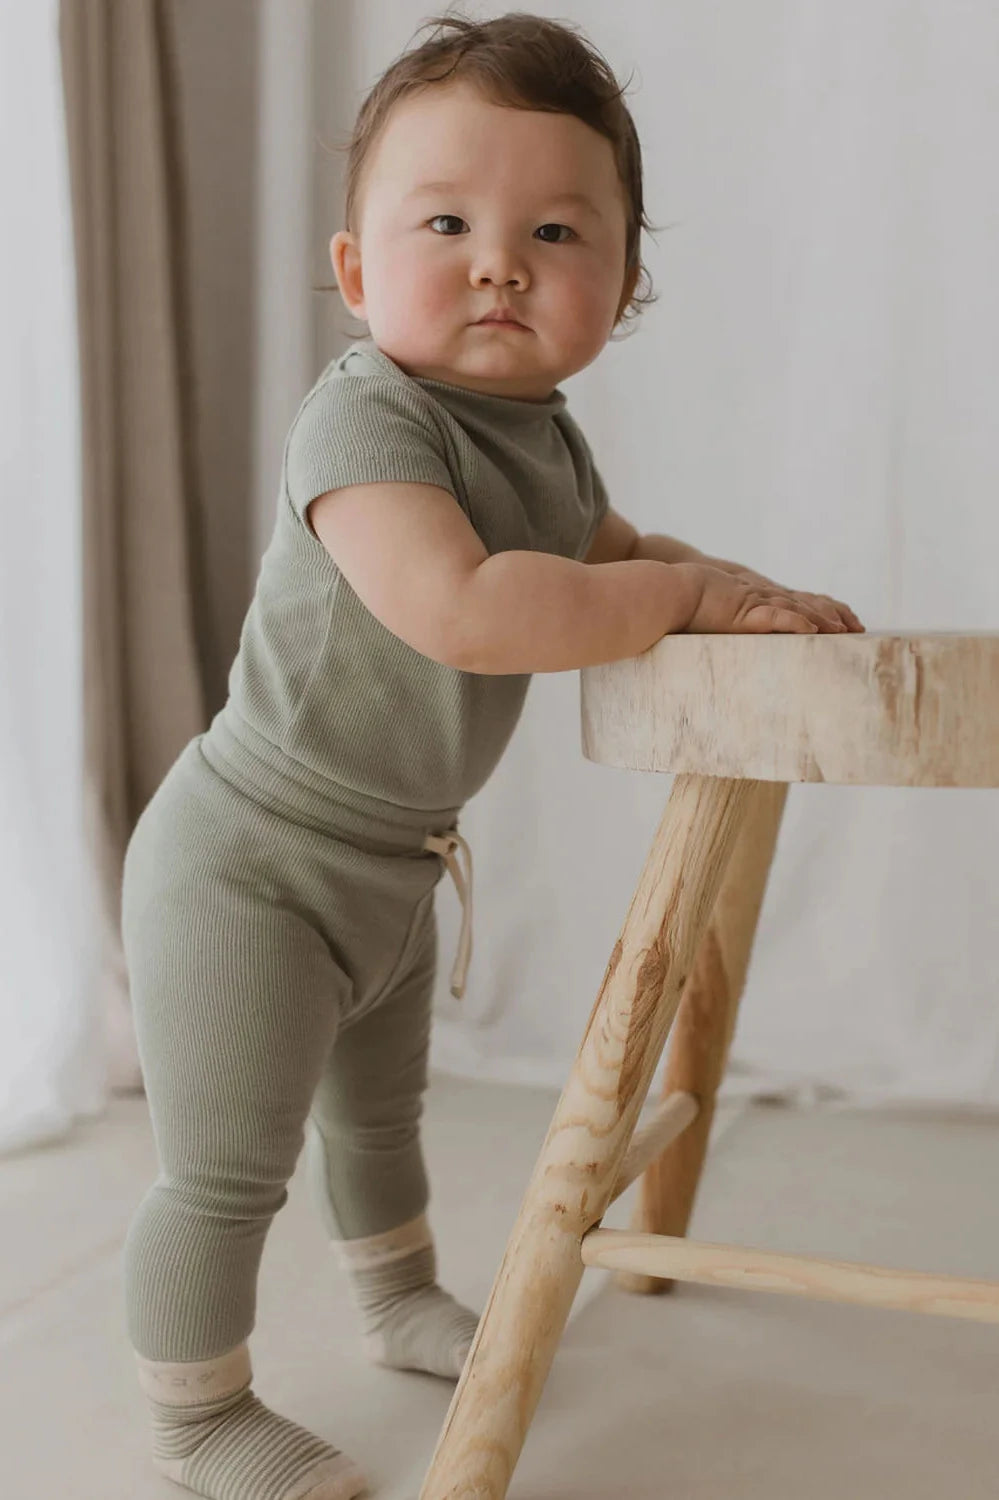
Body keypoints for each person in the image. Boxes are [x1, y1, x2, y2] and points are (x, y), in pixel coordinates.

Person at [120, 11, 865, 1500]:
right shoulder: (366, 421)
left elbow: (620, 552)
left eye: (555, 230)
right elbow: (468, 610)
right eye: (446, 220)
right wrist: (672, 598)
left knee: (379, 1116)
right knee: (225, 1172)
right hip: (251, 864)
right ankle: (198, 1418)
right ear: (354, 269)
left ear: (626, 282)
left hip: (396, 866)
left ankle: (397, 1298)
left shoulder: (548, 442)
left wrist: (733, 587)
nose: (499, 261)